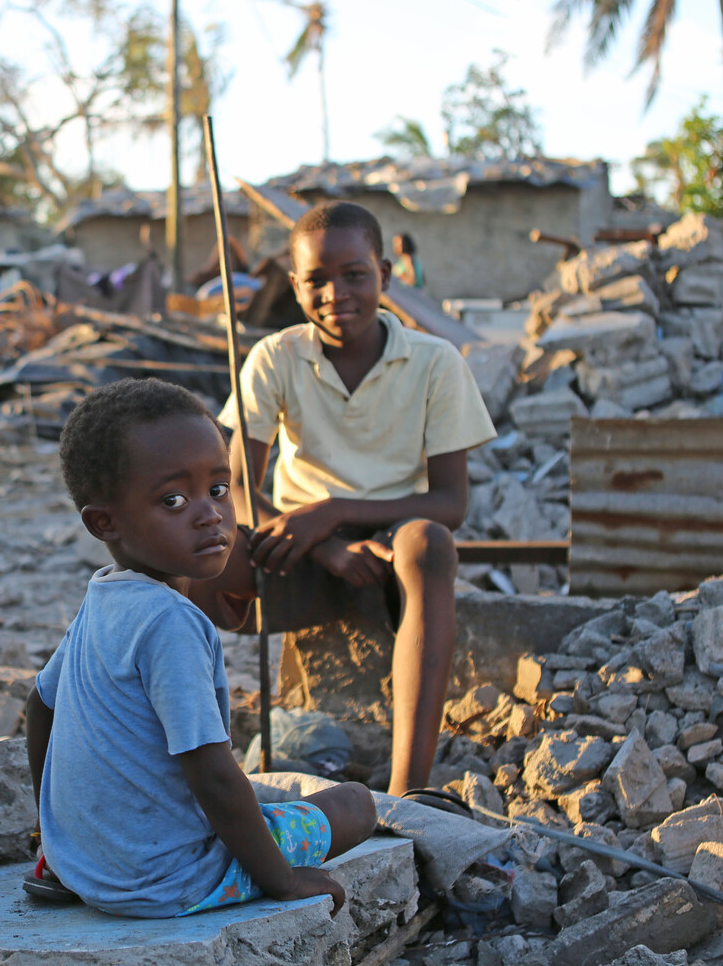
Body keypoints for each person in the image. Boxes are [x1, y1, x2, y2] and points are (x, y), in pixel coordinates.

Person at [26, 378, 376, 918]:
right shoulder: (171, 622)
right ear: (104, 522)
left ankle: (61, 859)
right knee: (355, 804)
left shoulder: (105, 597)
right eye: (173, 499)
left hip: (86, 867)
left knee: (265, 794)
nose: (210, 513)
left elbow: (40, 705)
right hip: (171, 879)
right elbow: (210, 774)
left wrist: (57, 835)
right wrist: (281, 881)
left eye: (218, 488)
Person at [190, 201, 496, 797]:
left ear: (385, 273)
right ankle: (194, 761)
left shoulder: (435, 362)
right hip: (293, 544)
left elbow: (451, 502)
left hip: (387, 544)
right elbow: (240, 488)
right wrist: (324, 543)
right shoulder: (275, 356)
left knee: (429, 544)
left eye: (354, 274)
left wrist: (335, 513)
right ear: (296, 285)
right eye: (316, 281)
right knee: (184, 555)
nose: (336, 294)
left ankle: (410, 790)